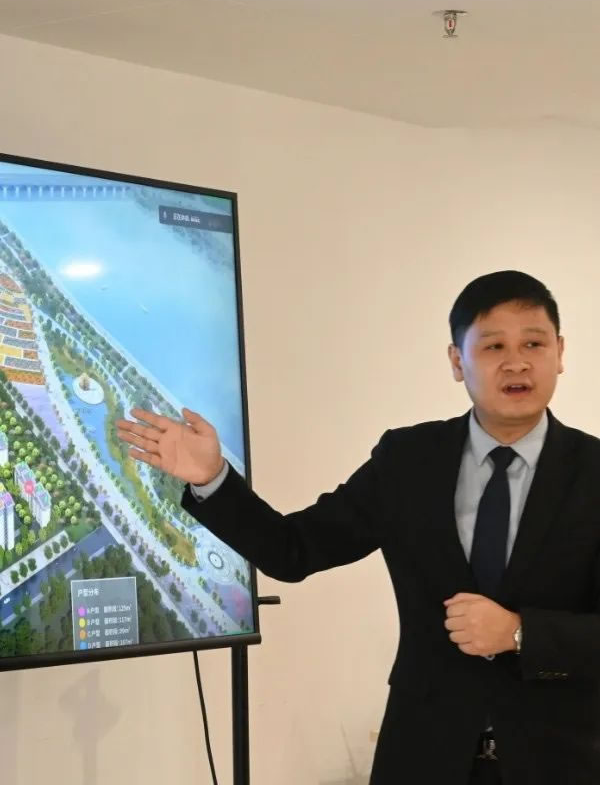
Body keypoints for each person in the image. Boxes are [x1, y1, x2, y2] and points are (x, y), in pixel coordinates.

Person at [116, 270, 600, 785]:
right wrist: (213, 478)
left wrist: (521, 633)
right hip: (423, 757)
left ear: (560, 352)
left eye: (533, 343)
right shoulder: (408, 461)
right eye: (493, 345)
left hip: (562, 760)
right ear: (457, 361)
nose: (516, 362)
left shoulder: (592, 472)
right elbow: (294, 551)